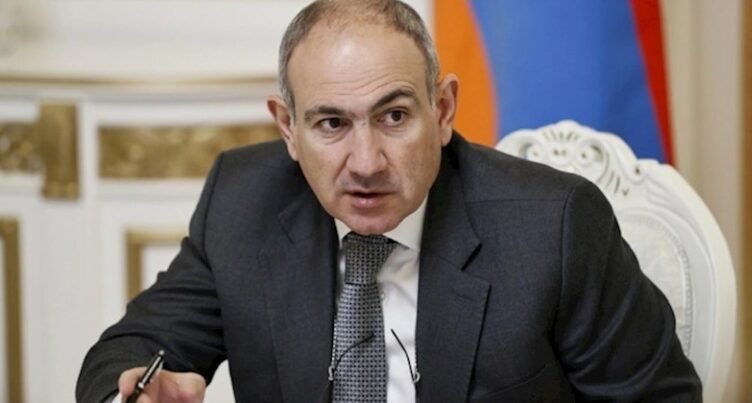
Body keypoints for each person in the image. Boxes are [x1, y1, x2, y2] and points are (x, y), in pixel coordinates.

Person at [76, 1, 702, 402]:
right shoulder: (244, 202)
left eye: (394, 116)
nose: (367, 162)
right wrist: (136, 394)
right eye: (331, 124)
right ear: (288, 128)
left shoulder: (553, 225)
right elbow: (128, 349)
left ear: (443, 110)